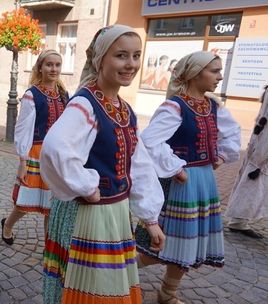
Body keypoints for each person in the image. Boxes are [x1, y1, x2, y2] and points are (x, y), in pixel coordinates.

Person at [39, 24, 165, 304]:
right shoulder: (85, 104)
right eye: (121, 55)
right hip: (90, 214)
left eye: (136, 55)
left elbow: (139, 163)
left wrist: (149, 217)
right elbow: (55, 149)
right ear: (100, 59)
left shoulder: (124, 108)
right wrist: (86, 184)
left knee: (105, 286)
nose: (130, 64)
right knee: (94, 289)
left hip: (115, 212)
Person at [135, 51, 241, 304]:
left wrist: (221, 156)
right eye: (214, 71)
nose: (219, 76)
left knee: (189, 244)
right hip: (179, 183)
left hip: (203, 181)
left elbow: (232, 134)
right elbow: (149, 141)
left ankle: (167, 292)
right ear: (195, 73)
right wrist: (175, 167)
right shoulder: (175, 106)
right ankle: (117, 274)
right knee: (156, 246)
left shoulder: (213, 106)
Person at [1, 49, 68, 245]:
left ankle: (49, 247)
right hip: (36, 153)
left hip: (57, 155)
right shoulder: (32, 95)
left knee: (53, 204)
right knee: (25, 201)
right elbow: (22, 129)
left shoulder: (64, 95)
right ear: (40, 67)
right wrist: (22, 160)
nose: (53, 69)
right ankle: (8, 225)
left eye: (57, 65)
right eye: (49, 64)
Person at [225, 86, 268, 239]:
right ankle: (238, 221)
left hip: (261, 145)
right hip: (263, 147)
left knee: (254, 181)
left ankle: (239, 221)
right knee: (253, 180)